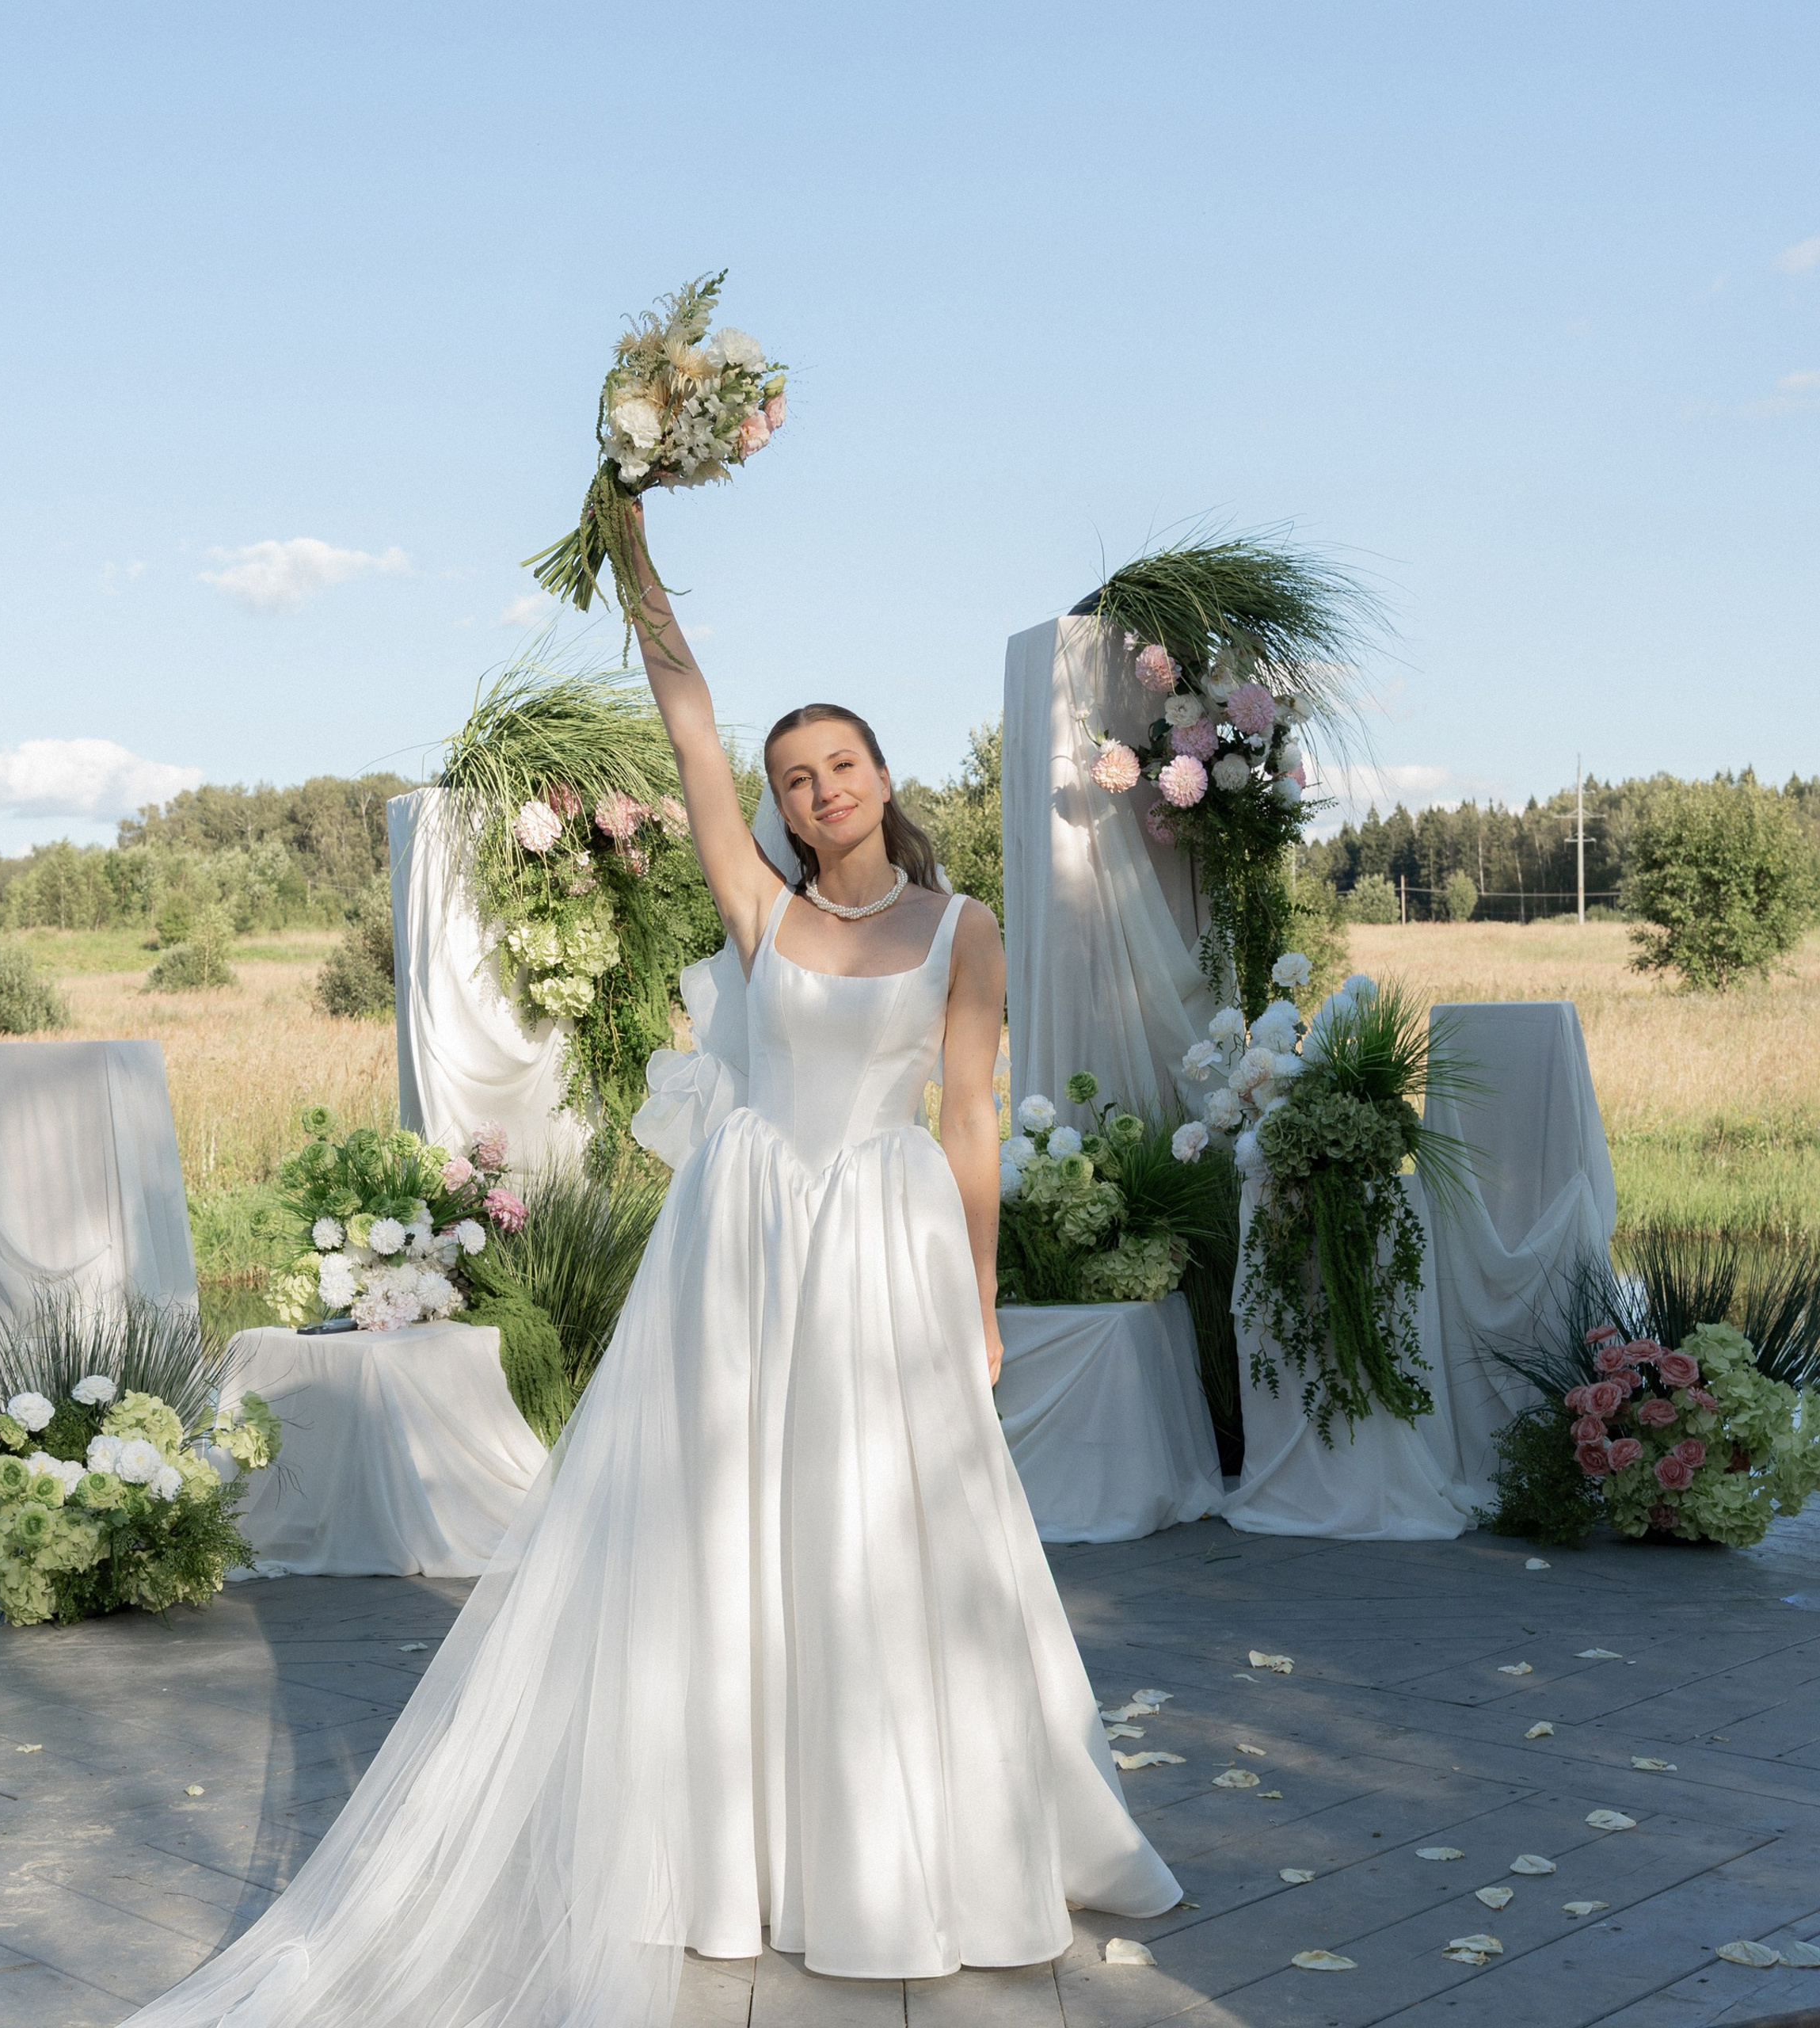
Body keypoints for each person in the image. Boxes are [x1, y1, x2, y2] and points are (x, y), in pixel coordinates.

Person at [127, 503, 1179, 2028]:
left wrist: (979, 1298)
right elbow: (689, 727)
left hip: (883, 1248)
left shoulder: (966, 928)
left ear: (885, 776)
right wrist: (632, 554)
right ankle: (732, 1853)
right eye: (795, 779)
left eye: (843, 766)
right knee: (735, 1525)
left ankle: (901, 1849)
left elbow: (966, 1125)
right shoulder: (763, 912)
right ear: (784, 806)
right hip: (749, 1244)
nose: (821, 793)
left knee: (885, 1532)